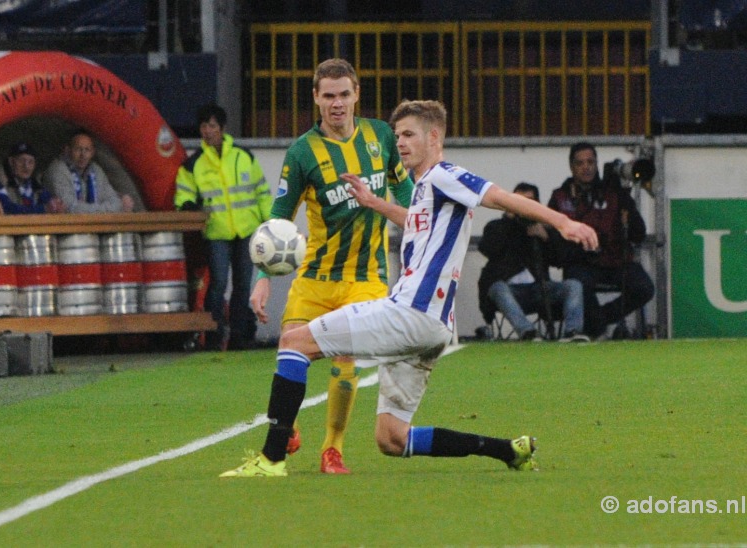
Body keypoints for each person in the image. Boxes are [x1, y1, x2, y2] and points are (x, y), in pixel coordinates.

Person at [220, 99, 598, 478]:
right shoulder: (424, 189)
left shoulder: (444, 175)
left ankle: (271, 458)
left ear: (433, 136)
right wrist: (374, 203)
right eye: (397, 134)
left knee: (294, 343)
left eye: (408, 134)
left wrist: (562, 222)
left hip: (409, 313)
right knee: (392, 439)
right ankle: (507, 451)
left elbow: (499, 197)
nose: (399, 142)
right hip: (431, 327)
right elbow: (417, 222)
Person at [247, 58, 414, 474]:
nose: (337, 104)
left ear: (357, 94)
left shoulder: (380, 137)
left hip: (367, 278)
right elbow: (279, 218)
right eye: (328, 96)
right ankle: (289, 429)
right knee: (289, 348)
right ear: (316, 99)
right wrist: (263, 277)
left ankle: (332, 449)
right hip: (316, 278)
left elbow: (407, 192)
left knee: (346, 360)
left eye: (344, 94)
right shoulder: (302, 152)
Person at [174, 102, 272, 351]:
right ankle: (214, 335)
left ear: (223, 128)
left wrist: (270, 222)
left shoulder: (243, 156)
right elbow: (183, 194)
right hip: (217, 232)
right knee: (217, 285)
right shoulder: (193, 164)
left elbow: (261, 192)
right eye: (204, 126)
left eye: (212, 125)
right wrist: (187, 207)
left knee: (242, 286)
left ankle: (239, 337)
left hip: (247, 231)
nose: (208, 131)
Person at [547, 142, 655, 339]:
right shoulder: (561, 197)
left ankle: (599, 320)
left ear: (597, 164)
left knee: (644, 287)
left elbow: (638, 234)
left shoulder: (613, 193)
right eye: (580, 163)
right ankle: (596, 327)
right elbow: (553, 238)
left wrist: (625, 199)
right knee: (577, 281)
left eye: (590, 162)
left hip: (616, 261)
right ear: (572, 167)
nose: (586, 167)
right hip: (582, 263)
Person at [477, 182, 588, 342]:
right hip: (510, 290)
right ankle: (528, 332)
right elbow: (487, 248)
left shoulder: (543, 228)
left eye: (528, 202)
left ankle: (572, 332)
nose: (522, 206)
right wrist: (509, 219)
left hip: (539, 288)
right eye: (518, 201)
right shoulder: (497, 226)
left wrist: (546, 238)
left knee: (573, 285)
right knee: (497, 288)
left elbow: (562, 259)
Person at [43, 129, 135, 213]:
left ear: (92, 153)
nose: (83, 155)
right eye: (78, 149)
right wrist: (104, 210)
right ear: (68, 150)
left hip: (95, 226)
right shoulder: (58, 170)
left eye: (87, 150)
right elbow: (69, 207)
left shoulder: (96, 169)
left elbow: (115, 201)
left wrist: (101, 209)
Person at [0, 142, 67, 215]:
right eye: (21, 161)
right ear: (11, 161)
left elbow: (48, 200)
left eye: (31, 162)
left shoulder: (35, 183)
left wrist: (56, 206)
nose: (26, 166)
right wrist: (43, 209)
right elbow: (6, 208)